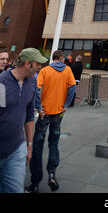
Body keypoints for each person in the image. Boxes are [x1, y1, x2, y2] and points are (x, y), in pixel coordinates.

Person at [26, 49, 76, 193]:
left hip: (44, 113)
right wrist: (66, 104)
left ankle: (35, 181)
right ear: (61, 58)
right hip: (58, 113)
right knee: (54, 143)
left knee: (38, 145)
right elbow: (72, 87)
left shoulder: (45, 71)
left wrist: (39, 107)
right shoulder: (67, 70)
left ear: (52, 58)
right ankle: (52, 173)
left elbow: (37, 89)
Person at [0, 48, 48, 193]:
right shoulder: (2, 83)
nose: (40, 67)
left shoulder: (32, 82)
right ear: (28, 64)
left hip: (16, 149)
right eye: (38, 64)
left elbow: (28, 115)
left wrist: (29, 145)